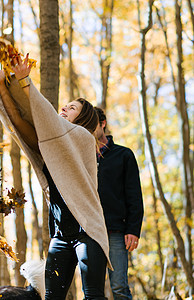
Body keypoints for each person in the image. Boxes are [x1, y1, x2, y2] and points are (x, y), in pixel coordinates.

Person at [0, 54, 111, 300]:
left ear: (83, 119)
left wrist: (25, 82)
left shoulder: (84, 139)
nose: (64, 108)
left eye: (71, 108)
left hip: (88, 232)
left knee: (93, 296)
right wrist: (2, 84)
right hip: (61, 237)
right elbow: (19, 122)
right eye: (65, 105)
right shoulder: (50, 148)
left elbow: (52, 123)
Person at [95, 107, 144, 299]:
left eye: (93, 124)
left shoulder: (124, 155)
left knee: (119, 288)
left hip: (116, 232)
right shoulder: (82, 157)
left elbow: (134, 195)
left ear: (103, 124)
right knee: (92, 290)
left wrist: (133, 229)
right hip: (90, 232)